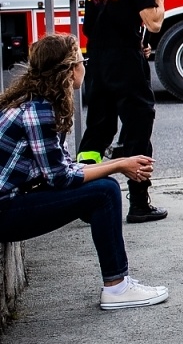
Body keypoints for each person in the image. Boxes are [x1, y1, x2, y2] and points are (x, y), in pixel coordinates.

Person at [0, 34, 167, 309]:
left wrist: (122, 163)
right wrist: (119, 165)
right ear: (69, 70)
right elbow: (61, 178)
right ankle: (117, 287)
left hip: (11, 201)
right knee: (104, 193)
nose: (84, 66)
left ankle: (118, 283)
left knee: (103, 187)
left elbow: (62, 168)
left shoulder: (38, 101)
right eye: (81, 61)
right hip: (5, 212)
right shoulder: (39, 111)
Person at [79, 0, 169, 222]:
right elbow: (154, 24)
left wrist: (131, 41)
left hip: (98, 62)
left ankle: (85, 201)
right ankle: (139, 203)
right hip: (126, 65)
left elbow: (92, 26)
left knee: (97, 129)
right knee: (137, 128)